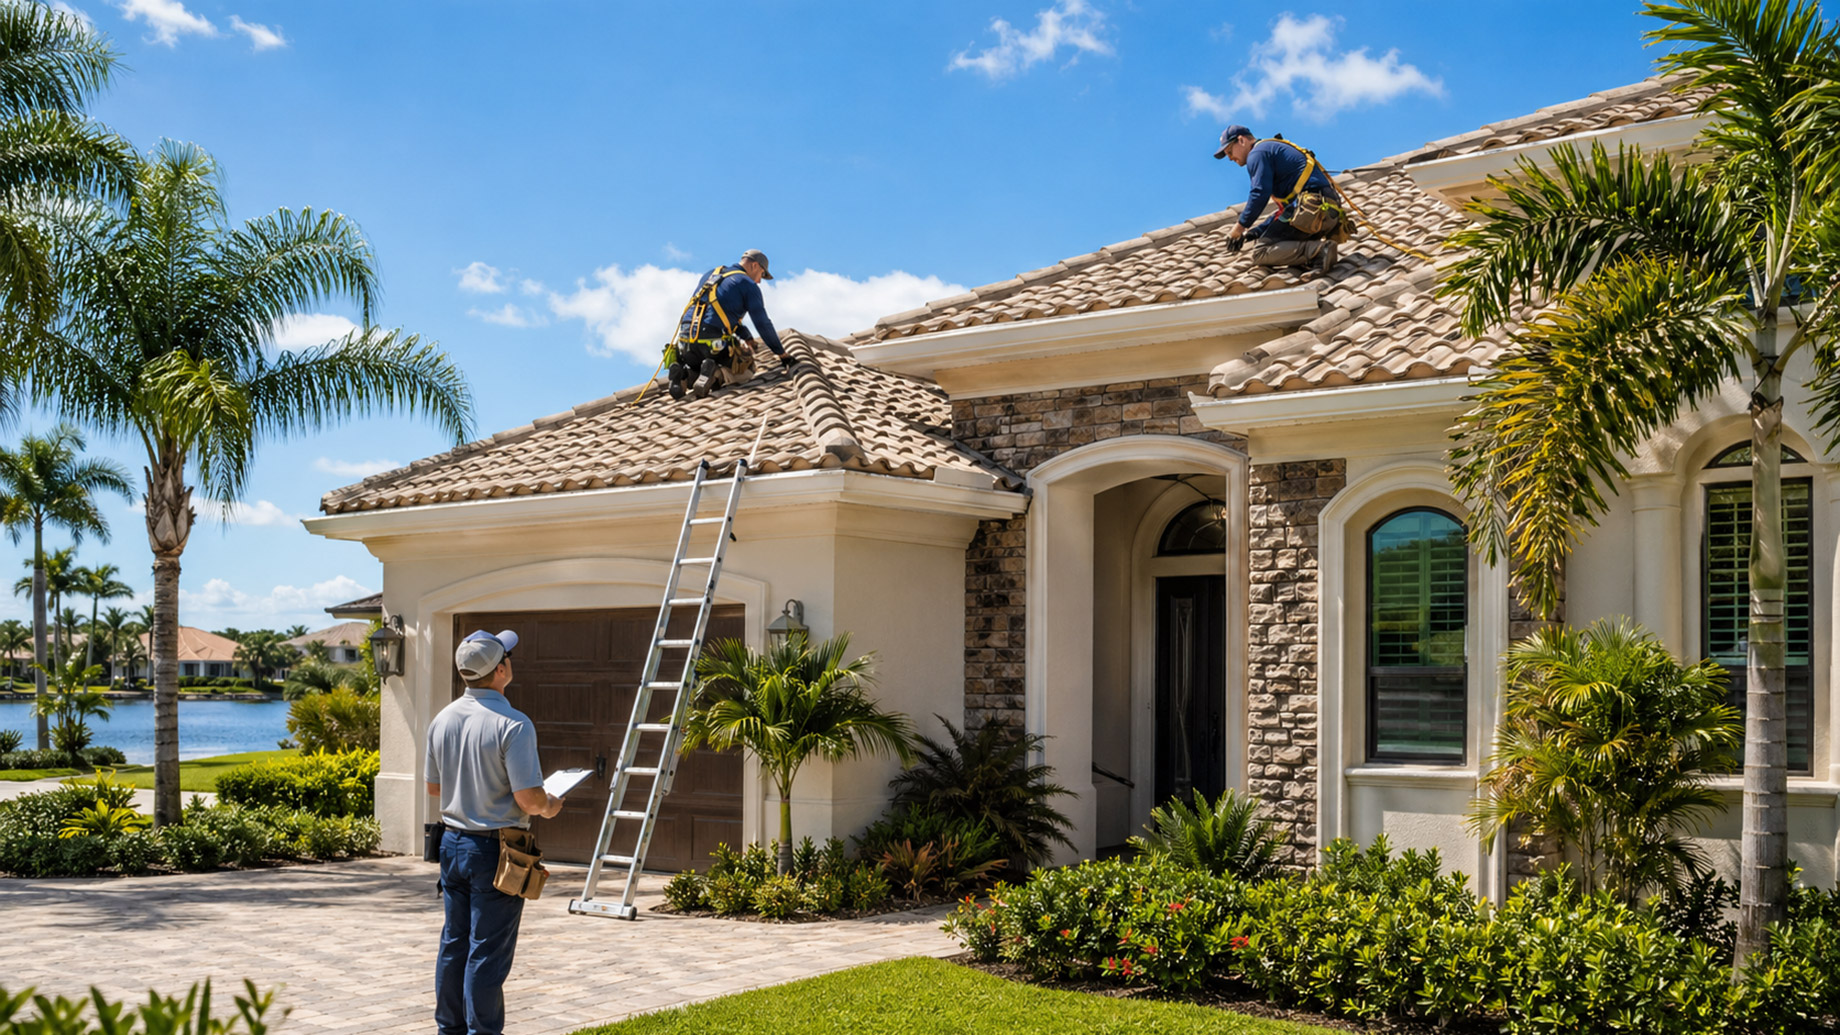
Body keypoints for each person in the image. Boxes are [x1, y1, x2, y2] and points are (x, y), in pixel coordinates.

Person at [426, 629, 564, 1035]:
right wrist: (552, 803)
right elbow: (529, 801)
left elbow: (435, 787)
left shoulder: (442, 718)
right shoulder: (513, 724)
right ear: (501, 669)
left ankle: (448, 1030)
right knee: (487, 950)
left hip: (451, 844)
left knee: (455, 943)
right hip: (495, 851)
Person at [1215, 124, 1343, 275]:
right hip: (1326, 211)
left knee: (1260, 251)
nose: (1230, 158)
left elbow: (1259, 192)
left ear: (1241, 140)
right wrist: (1257, 231)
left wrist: (1239, 228)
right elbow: (1285, 211)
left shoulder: (1257, 153)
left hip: (1311, 211)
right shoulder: (1270, 149)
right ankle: (1312, 258)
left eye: (1230, 151)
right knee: (1271, 239)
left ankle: (1320, 251)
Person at [668, 248, 787, 400]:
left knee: (699, 362)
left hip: (685, 345)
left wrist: (747, 336)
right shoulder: (748, 284)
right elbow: (762, 323)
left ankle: (684, 375)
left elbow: (716, 315)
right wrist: (782, 354)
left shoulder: (711, 274)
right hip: (712, 346)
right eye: (762, 275)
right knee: (747, 368)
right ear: (755, 266)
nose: (759, 280)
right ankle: (716, 374)